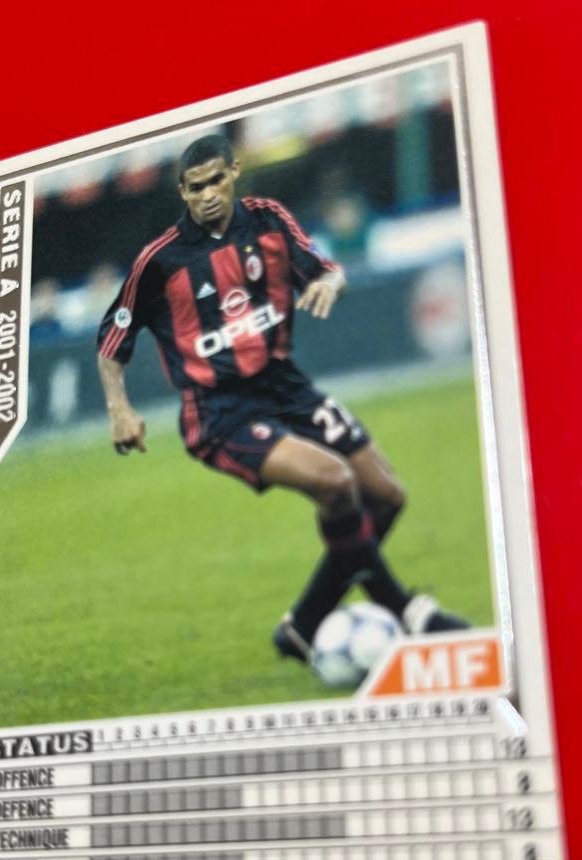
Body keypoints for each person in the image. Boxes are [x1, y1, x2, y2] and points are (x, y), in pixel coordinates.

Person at [96, 134, 467, 664]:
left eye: (216, 181)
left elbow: (325, 270)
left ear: (234, 172)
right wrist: (120, 409)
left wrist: (330, 284)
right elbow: (112, 338)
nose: (207, 195)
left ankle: (304, 626)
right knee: (335, 481)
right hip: (220, 411)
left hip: (285, 385)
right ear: (182, 192)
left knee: (387, 497)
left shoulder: (268, 218)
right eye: (195, 188)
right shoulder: (160, 261)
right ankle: (406, 611)